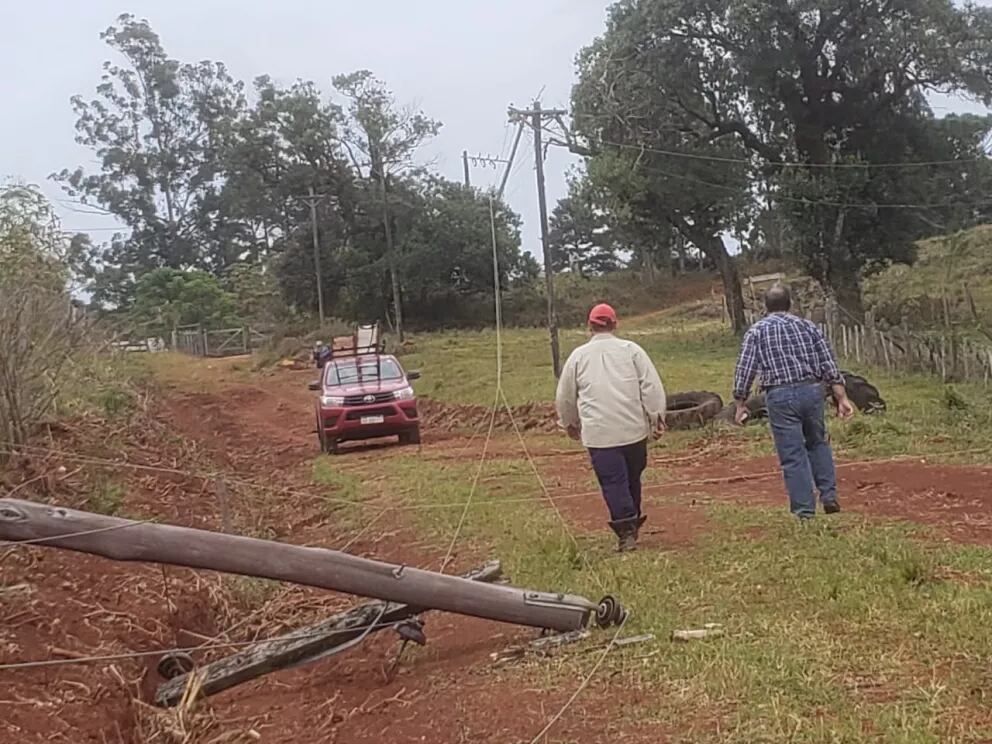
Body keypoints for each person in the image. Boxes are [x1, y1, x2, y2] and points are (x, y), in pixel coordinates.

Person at [732, 284, 855, 521]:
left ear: (766, 307)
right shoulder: (808, 326)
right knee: (818, 443)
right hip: (812, 390)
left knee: (792, 453)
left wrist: (740, 402)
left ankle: (804, 511)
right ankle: (829, 496)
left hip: (780, 395)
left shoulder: (757, 331)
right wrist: (842, 397)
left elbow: (745, 369)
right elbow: (828, 362)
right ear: (790, 304)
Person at [555, 303, 667, 552]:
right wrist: (657, 418)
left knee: (614, 482)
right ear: (615, 324)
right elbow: (651, 386)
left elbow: (565, 396)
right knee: (631, 478)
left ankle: (627, 528)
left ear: (589, 326)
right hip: (633, 431)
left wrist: (569, 423)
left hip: (599, 436)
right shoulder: (632, 351)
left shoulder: (578, 356)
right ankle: (630, 521)